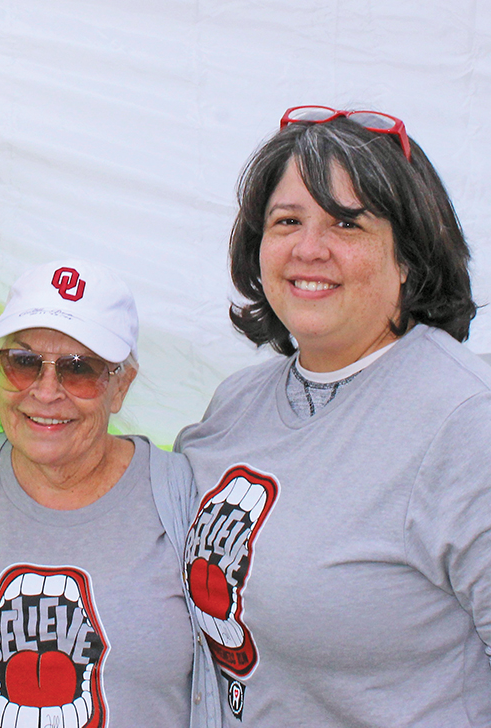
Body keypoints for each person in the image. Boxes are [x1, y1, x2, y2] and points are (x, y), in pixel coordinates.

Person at [177, 106, 491, 726]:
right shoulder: (237, 403)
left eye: (347, 224)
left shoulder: (466, 420)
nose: (308, 248)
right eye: (287, 220)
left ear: (409, 255)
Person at [0, 260, 221, 728]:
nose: (45, 391)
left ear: (121, 387)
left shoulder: (185, 498)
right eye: (23, 362)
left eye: (79, 370)